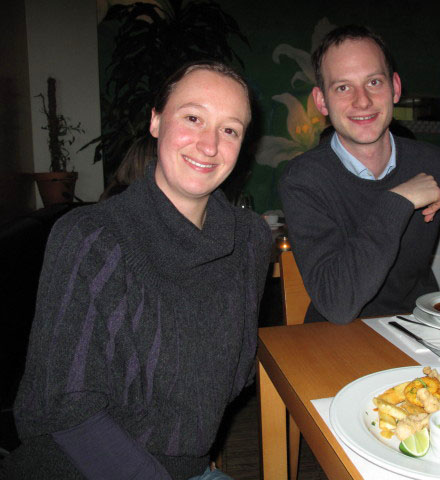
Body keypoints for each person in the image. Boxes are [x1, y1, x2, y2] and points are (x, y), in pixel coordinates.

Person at [5, 61, 272, 479]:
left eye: (229, 129)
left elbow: (234, 377)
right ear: (156, 120)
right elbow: (65, 411)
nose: (208, 144)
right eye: (192, 117)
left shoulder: (251, 240)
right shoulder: (93, 236)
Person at [278, 25, 440, 324]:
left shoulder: (436, 164)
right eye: (343, 87)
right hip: (337, 340)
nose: (362, 101)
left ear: (394, 87)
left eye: (374, 82)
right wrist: (399, 200)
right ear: (321, 101)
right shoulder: (303, 180)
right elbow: (338, 304)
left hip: (421, 328)